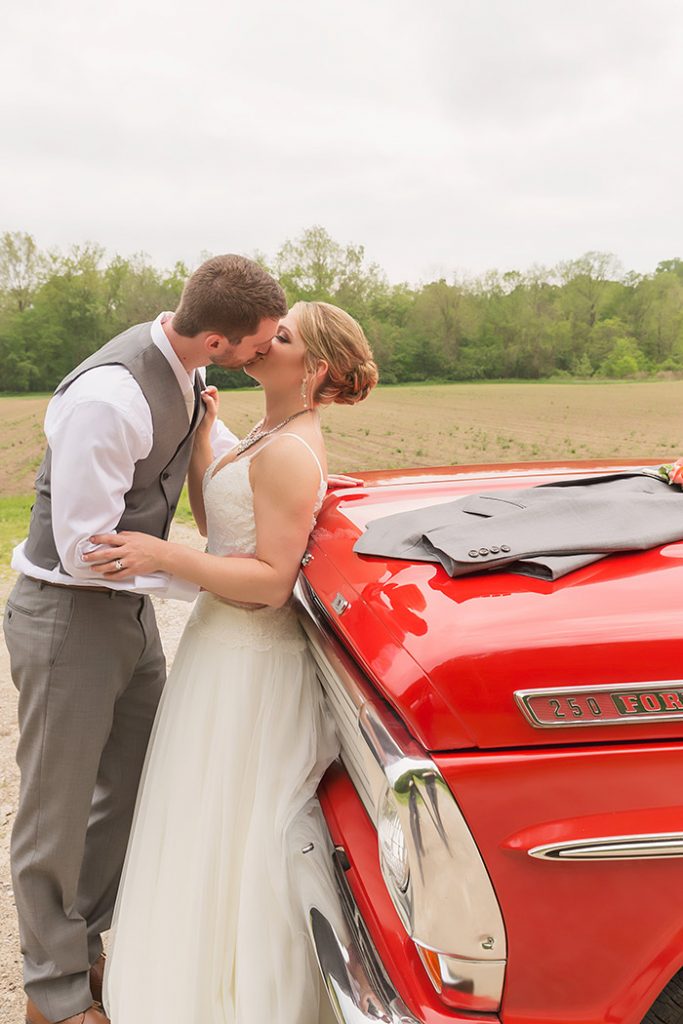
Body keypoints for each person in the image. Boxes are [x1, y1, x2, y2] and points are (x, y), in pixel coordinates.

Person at [3, 255, 288, 1024]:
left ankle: (82, 941)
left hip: (126, 614)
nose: (266, 351)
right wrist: (208, 577)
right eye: (260, 342)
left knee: (133, 785)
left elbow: (214, 465)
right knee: (53, 815)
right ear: (221, 339)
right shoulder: (110, 396)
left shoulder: (190, 374)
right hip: (67, 614)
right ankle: (54, 998)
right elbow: (83, 551)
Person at [81, 301, 378, 1024]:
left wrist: (159, 554)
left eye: (281, 337)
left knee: (233, 824)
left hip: (251, 659)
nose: (259, 342)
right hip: (218, 647)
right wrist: (208, 442)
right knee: (198, 811)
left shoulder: (287, 449)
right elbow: (223, 530)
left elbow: (272, 582)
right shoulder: (265, 434)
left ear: (316, 371)